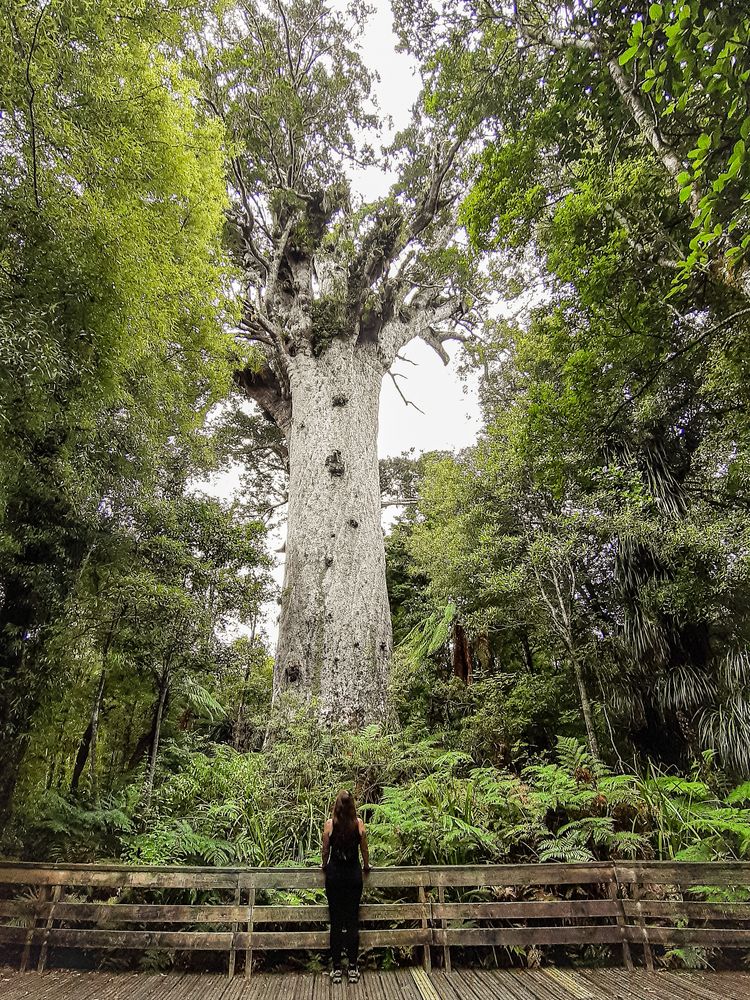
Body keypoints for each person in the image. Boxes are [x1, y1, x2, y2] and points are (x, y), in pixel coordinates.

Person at [321, 789, 370, 984]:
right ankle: (352, 968)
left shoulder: (330, 825)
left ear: (336, 806)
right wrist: (366, 865)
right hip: (353, 877)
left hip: (334, 877)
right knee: (351, 921)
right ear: (352, 807)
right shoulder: (359, 825)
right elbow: (364, 848)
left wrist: (324, 865)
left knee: (336, 922)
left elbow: (325, 849)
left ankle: (336, 969)